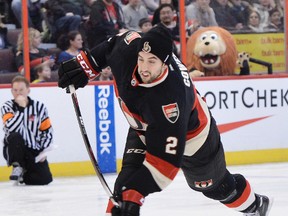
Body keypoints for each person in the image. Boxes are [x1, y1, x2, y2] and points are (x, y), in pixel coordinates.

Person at [57, 25, 272, 215]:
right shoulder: (130, 47)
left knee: (214, 187)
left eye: (152, 62)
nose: (143, 67)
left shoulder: (171, 102)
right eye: (141, 59)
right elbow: (111, 45)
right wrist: (84, 65)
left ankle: (255, 206)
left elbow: (164, 165)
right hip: (142, 126)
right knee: (123, 188)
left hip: (193, 138)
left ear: (165, 64)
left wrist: (136, 194)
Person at [1, 75, 53, 185]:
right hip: (14, 149)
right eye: (15, 90)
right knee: (15, 136)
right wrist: (21, 108)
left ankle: (24, 175)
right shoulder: (7, 107)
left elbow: (47, 131)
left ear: (28, 90)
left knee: (44, 179)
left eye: (21, 90)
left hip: (33, 150)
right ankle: (17, 166)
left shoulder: (39, 107)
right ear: (11, 91)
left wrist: (43, 151)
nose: (18, 93)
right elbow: (12, 128)